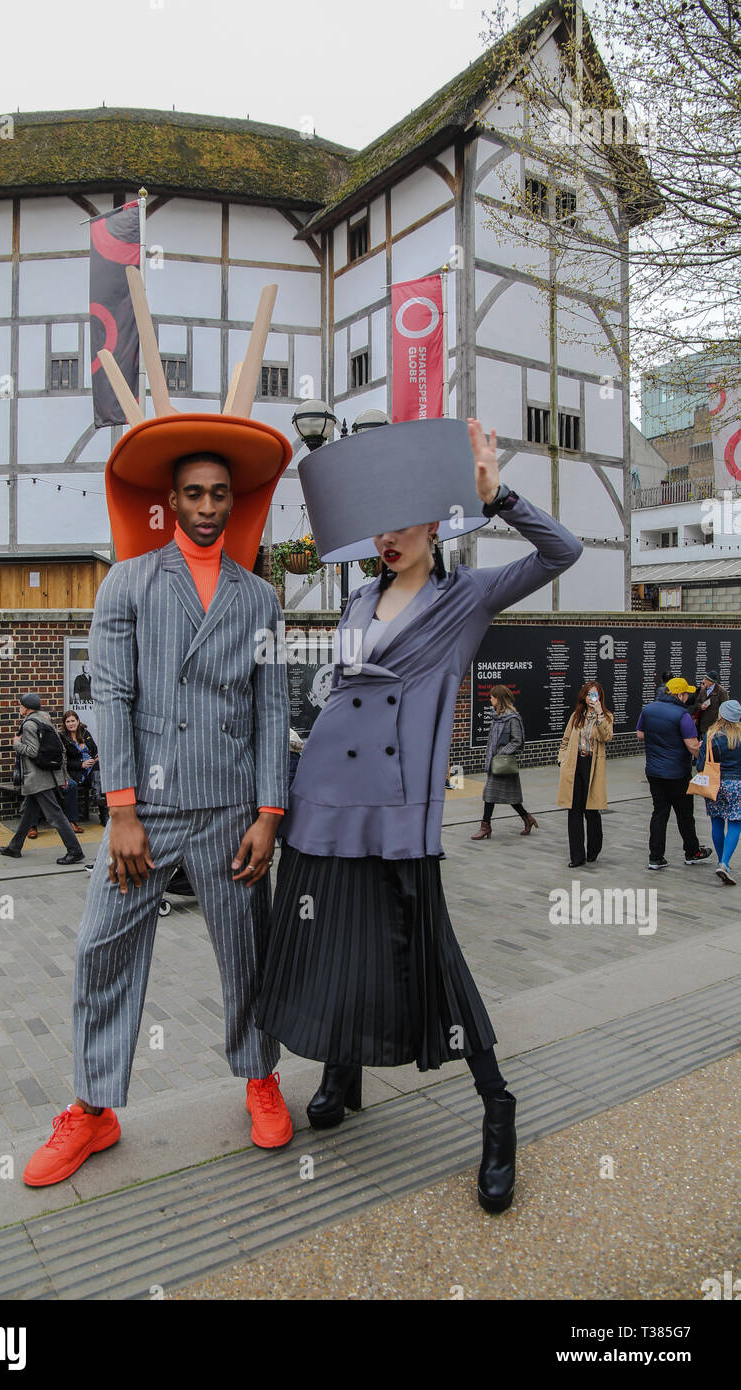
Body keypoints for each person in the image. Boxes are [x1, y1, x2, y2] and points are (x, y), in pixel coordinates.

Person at [255, 418, 583, 1215]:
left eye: (404, 520)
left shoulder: (465, 596)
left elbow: (561, 554)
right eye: (379, 522)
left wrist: (494, 496)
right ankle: (342, 1070)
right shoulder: (358, 597)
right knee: (325, 936)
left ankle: (497, 1108)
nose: (388, 535)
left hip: (398, 806)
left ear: (436, 522)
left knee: (429, 951)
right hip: (323, 795)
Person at [22, 421, 293, 1185]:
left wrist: (270, 814)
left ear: (233, 504)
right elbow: (109, 693)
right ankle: (93, 1109)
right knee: (101, 949)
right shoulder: (128, 582)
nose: (208, 506)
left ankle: (260, 1077)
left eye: (220, 495)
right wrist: (121, 810)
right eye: (195, 493)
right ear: (172, 500)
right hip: (144, 810)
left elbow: (273, 711)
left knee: (246, 956)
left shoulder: (260, 599)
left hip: (232, 810)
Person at [0, 694, 84, 865]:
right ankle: (14, 847)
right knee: (28, 813)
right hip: (46, 774)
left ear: (26, 707)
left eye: (20, 705)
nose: (19, 708)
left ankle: (75, 851)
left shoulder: (29, 724)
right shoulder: (45, 720)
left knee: (55, 816)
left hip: (38, 778)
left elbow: (33, 751)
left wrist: (16, 743)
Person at [636, 676, 712, 870]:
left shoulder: (649, 709)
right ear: (679, 695)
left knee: (659, 813)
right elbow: (692, 747)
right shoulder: (682, 715)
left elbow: (640, 734)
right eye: (686, 693)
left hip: (653, 771)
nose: (688, 697)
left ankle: (655, 857)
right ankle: (692, 851)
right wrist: (705, 746)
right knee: (685, 814)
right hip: (677, 773)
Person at [557, 680, 614, 867]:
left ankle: (594, 849)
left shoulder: (606, 716)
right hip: (574, 764)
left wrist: (599, 713)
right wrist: (562, 759)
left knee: (591, 810)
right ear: (583, 696)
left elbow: (607, 737)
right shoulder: (576, 716)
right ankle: (576, 856)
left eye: (595, 694)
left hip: (592, 765)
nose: (592, 698)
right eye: (589, 694)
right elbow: (565, 740)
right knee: (574, 810)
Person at [471, 685, 537, 839]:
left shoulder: (512, 718)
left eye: (492, 697)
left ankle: (485, 826)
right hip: (496, 764)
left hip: (503, 764)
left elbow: (517, 741)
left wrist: (500, 754)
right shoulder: (498, 717)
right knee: (508, 797)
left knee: (490, 795)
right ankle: (527, 818)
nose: (490, 699)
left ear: (498, 699)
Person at [694, 699, 741, 885]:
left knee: (717, 821)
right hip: (737, 784)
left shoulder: (710, 735)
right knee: (736, 822)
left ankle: (723, 862)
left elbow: (700, 765)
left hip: (715, 783)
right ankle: (724, 862)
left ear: (721, 715)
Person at [690, 669, 728, 736]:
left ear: (711, 681)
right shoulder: (703, 689)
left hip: (715, 726)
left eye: (705, 679)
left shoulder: (721, 691)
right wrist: (701, 706)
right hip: (703, 725)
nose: (703, 681)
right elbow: (697, 703)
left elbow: (724, 707)